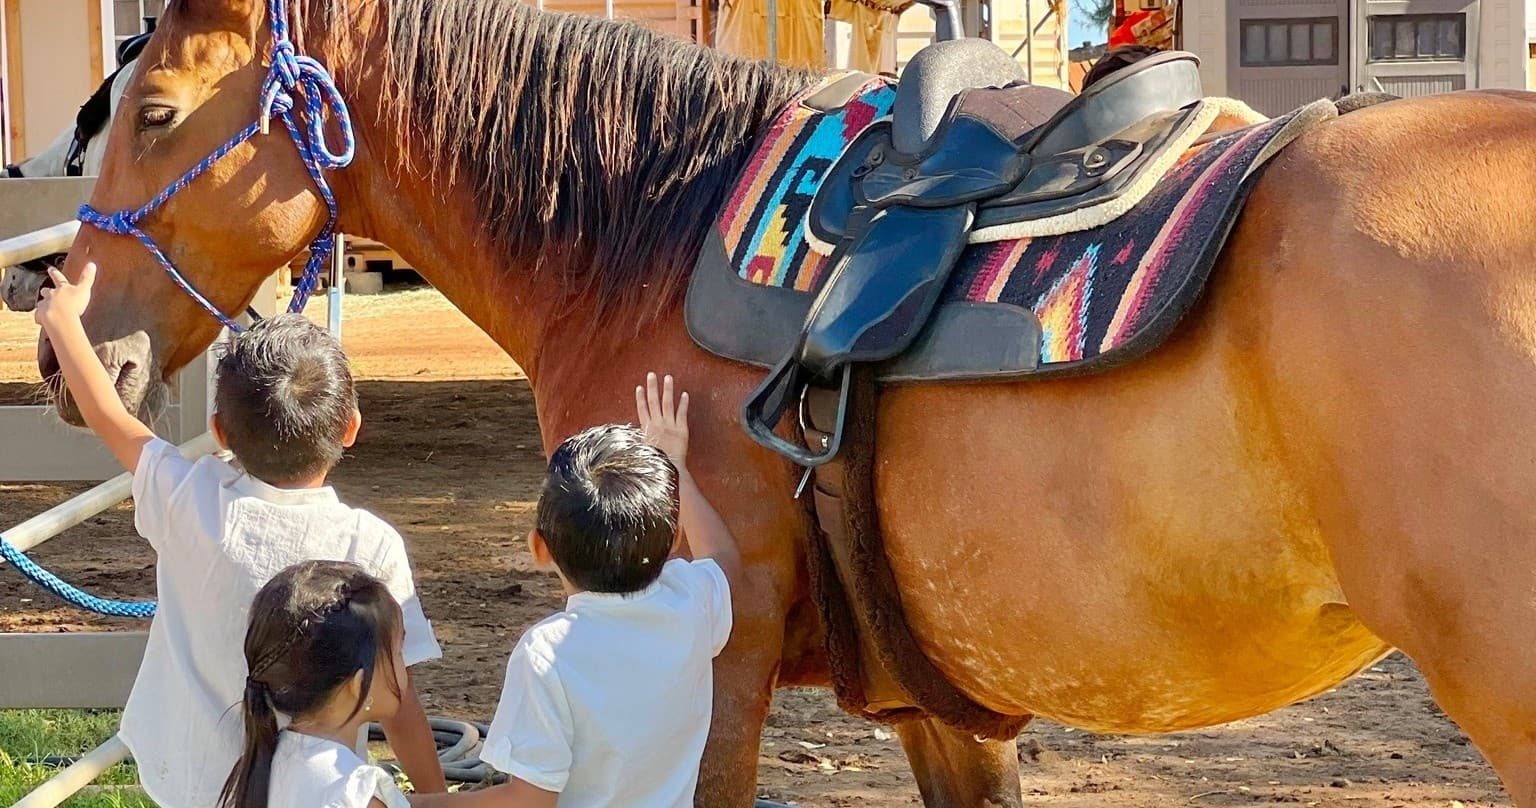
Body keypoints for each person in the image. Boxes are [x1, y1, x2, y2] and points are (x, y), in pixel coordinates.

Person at [32, 264, 446, 807]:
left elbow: (109, 413)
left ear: (220, 432)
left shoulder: (189, 498)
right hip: (318, 792)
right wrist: (435, 796)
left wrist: (63, 321)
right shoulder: (370, 545)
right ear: (350, 427)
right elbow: (399, 694)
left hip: (189, 780)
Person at [410, 373, 740, 808]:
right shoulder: (691, 606)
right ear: (676, 537)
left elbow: (528, 801)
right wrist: (675, 463)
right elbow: (722, 558)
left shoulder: (545, 654)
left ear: (538, 549)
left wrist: (405, 803)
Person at [222, 560, 413, 808]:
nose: (405, 662)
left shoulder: (271, 761)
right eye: (398, 652)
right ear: (359, 684)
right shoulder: (355, 791)